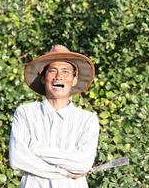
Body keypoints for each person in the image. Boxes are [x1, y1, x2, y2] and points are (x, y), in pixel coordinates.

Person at [9, 45, 99, 188]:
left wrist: (35, 149)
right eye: (52, 71)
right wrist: (64, 172)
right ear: (43, 78)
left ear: (74, 80)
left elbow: (83, 163)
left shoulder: (87, 120)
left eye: (65, 71)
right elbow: (17, 159)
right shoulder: (25, 113)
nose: (59, 77)